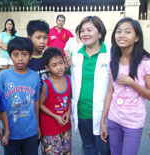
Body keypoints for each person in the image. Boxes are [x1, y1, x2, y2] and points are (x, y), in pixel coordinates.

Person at [100, 17, 150, 155]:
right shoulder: (112, 61)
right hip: (114, 118)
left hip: (134, 122)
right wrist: (103, 121)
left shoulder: (145, 63)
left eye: (127, 32)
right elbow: (110, 92)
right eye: (118, 31)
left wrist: (131, 83)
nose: (121, 35)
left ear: (137, 38)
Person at [70, 16, 111, 155]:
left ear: (100, 33)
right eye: (82, 30)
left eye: (89, 30)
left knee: (105, 149)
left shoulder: (110, 55)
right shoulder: (75, 55)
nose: (85, 33)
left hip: (105, 113)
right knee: (88, 147)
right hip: (83, 112)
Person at [0, 37, 40, 155]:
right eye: (16, 54)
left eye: (24, 54)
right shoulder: (3, 76)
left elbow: (36, 103)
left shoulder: (35, 77)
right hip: (10, 132)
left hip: (30, 132)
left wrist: (38, 126)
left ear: (31, 55)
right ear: (10, 56)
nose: (20, 58)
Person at [40, 47, 72, 154]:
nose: (59, 67)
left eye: (61, 63)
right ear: (47, 68)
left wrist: (68, 111)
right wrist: (55, 116)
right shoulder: (47, 84)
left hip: (65, 126)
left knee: (67, 151)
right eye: (54, 65)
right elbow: (40, 105)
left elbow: (70, 99)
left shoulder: (69, 79)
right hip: (50, 128)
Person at [27, 20, 50, 87]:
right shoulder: (24, 60)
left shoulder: (48, 58)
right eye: (38, 37)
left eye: (45, 37)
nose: (42, 41)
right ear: (29, 38)